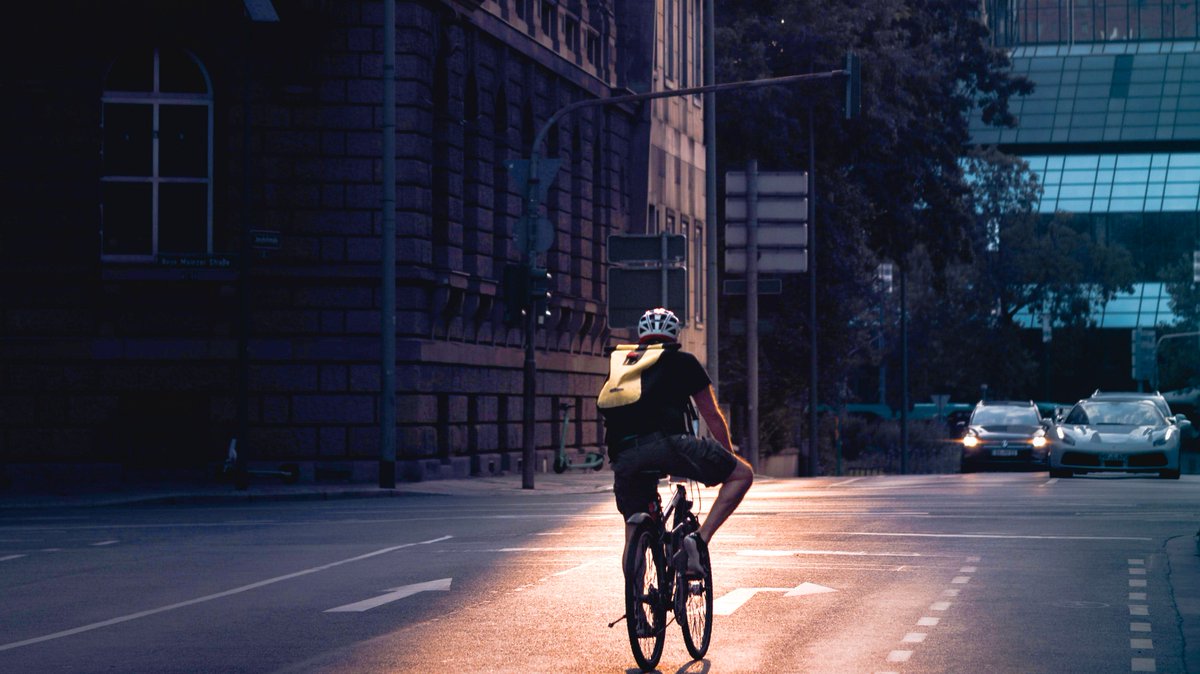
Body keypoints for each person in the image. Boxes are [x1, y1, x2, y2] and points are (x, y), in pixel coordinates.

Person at [597, 307, 753, 576]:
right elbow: (712, 416)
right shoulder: (683, 361)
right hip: (671, 446)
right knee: (743, 475)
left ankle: (635, 597)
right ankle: (699, 540)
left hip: (624, 455)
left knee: (633, 530)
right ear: (675, 334)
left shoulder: (623, 365)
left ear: (640, 335)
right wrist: (726, 457)